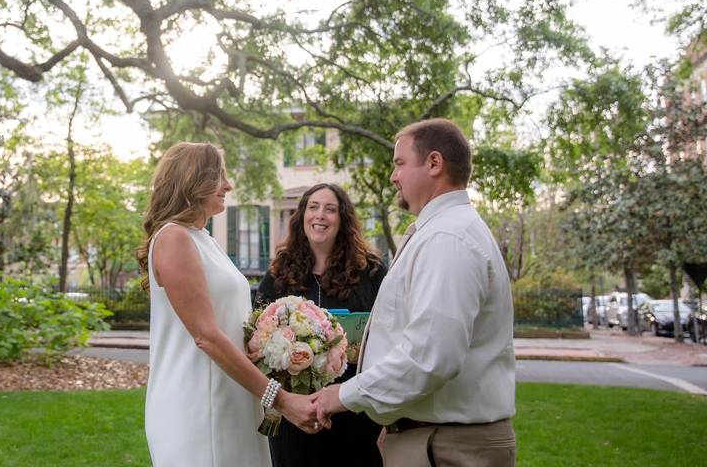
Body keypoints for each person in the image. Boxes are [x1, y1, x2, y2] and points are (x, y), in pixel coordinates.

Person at [313, 119, 516, 466]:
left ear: (434, 163)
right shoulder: (441, 232)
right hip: (427, 436)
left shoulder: (448, 239)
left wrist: (339, 396)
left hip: (447, 446)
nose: (394, 176)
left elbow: (429, 356)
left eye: (400, 163)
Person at [138, 142, 318, 467]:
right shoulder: (173, 238)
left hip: (236, 397)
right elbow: (205, 335)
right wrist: (280, 398)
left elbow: (232, 322)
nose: (228, 185)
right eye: (219, 176)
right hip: (198, 404)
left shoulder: (204, 239)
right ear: (193, 180)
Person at [257, 183, 387, 467]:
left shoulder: (371, 273)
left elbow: (391, 337)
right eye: (313, 207)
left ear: (342, 219)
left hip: (355, 413)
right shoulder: (278, 274)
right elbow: (256, 339)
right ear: (302, 215)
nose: (320, 215)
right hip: (294, 416)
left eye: (330, 209)